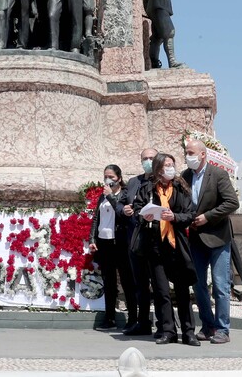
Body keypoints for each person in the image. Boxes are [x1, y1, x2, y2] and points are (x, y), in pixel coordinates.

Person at [133, 152, 199, 346]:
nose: (170, 168)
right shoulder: (147, 189)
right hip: (155, 246)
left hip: (176, 245)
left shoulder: (180, 188)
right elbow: (137, 210)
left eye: (172, 164)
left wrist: (175, 217)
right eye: (166, 165)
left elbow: (190, 214)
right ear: (158, 169)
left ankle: (188, 332)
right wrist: (143, 216)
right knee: (162, 292)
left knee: (182, 291)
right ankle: (168, 330)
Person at [183, 138, 240, 344]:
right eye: (186, 153)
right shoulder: (185, 176)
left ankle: (223, 329)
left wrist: (208, 216)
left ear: (202, 154)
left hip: (217, 238)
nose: (187, 156)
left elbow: (232, 203)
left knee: (220, 285)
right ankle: (208, 326)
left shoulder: (217, 175)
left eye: (190, 152)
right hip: (196, 239)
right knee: (198, 285)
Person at [88, 164, 138, 331]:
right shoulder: (102, 197)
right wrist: (93, 238)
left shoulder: (123, 195)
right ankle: (109, 317)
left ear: (119, 179)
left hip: (120, 243)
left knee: (127, 281)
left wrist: (110, 196)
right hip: (105, 242)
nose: (108, 180)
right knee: (109, 282)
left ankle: (133, 318)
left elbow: (122, 214)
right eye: (105, 177)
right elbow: (97, 218)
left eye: (111, 177)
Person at [120, 148, 157, 337]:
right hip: (136, 240)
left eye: (151, 158)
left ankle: (165, 323)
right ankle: (142, 322)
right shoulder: (134, 182)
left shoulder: (162, 181)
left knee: (160, 284)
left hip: (157, 240)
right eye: (145, 159)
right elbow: (121, 202)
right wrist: (124, 209)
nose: (148, 161)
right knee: (140, 284)